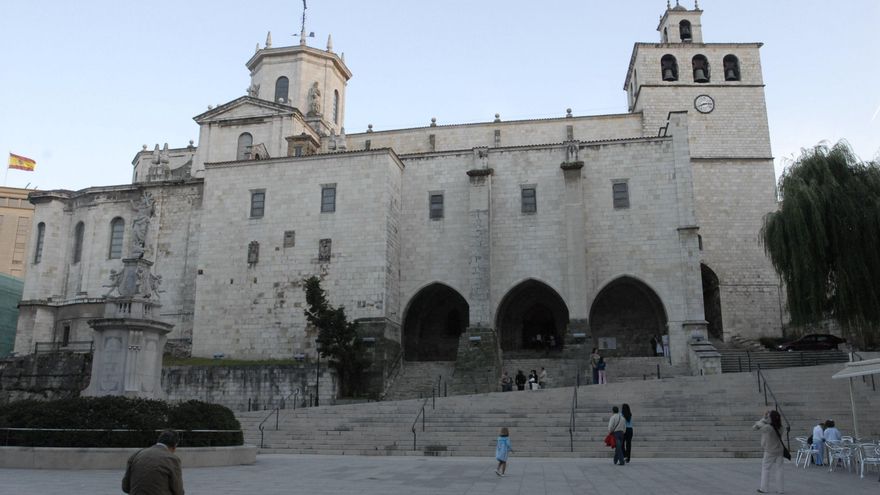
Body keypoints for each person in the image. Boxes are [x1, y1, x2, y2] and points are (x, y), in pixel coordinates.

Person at [122, 430, 185, 495]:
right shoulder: (172, 459)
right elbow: (178, 491)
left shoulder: (136, 454)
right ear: (175, 446)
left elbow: (125, 487)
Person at [753, 410, 785, 494]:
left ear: (771, 418)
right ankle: (780, 489)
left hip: (769, 451)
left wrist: (763, 418)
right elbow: (757, 427)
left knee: (766, 469)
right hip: (779, 450)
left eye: (769, 416)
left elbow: (756, 426)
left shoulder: (768, 428)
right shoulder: (781, 427)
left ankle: (764, 488)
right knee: (779, 470)